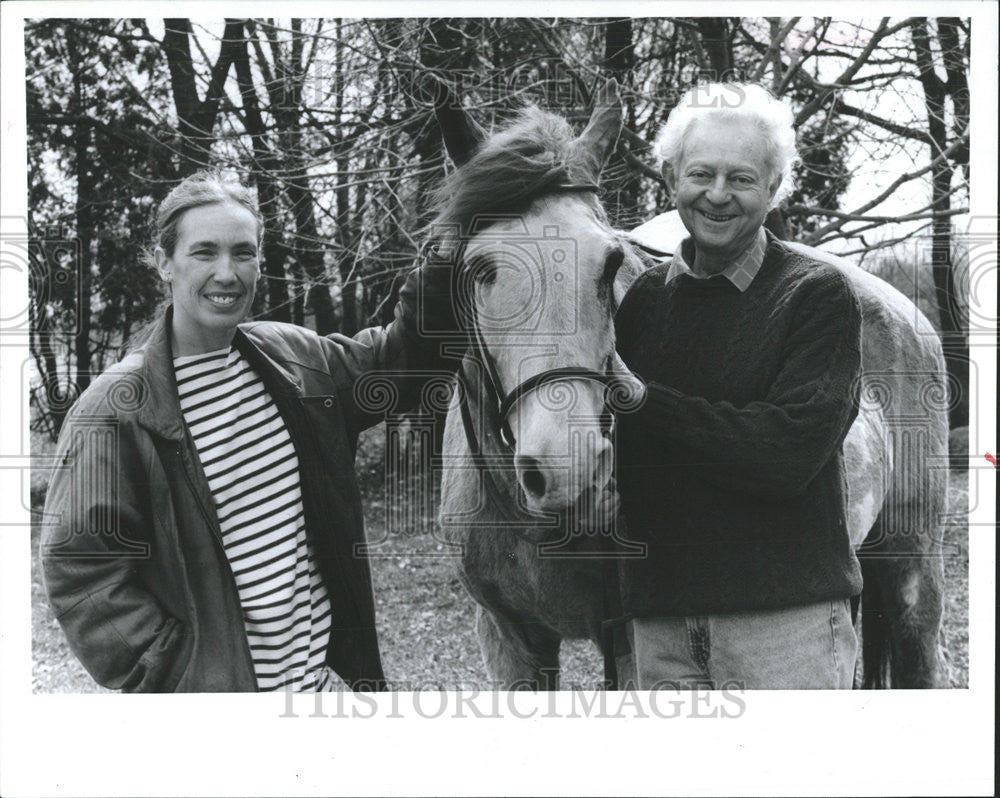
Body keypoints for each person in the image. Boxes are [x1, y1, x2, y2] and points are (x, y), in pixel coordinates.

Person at [40, 170, 458, 692]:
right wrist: (176, 675)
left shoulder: (293, 359)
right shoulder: (114, 409)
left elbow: (402, 360)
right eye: (204, 252)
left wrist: (449, 250)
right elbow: (78, 566)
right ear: (164, 262)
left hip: (326, 693)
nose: (227, 272)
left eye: (243, 252)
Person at [612, 83, 863, 689]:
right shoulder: (640, 304)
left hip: (784, 626)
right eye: (701, 174)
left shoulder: (816, 295)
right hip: (661, 629)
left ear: (775, 188)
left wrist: (646, 403)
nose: (717, 195)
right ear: (671, 177)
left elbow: (785, 456)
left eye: (742, 178)